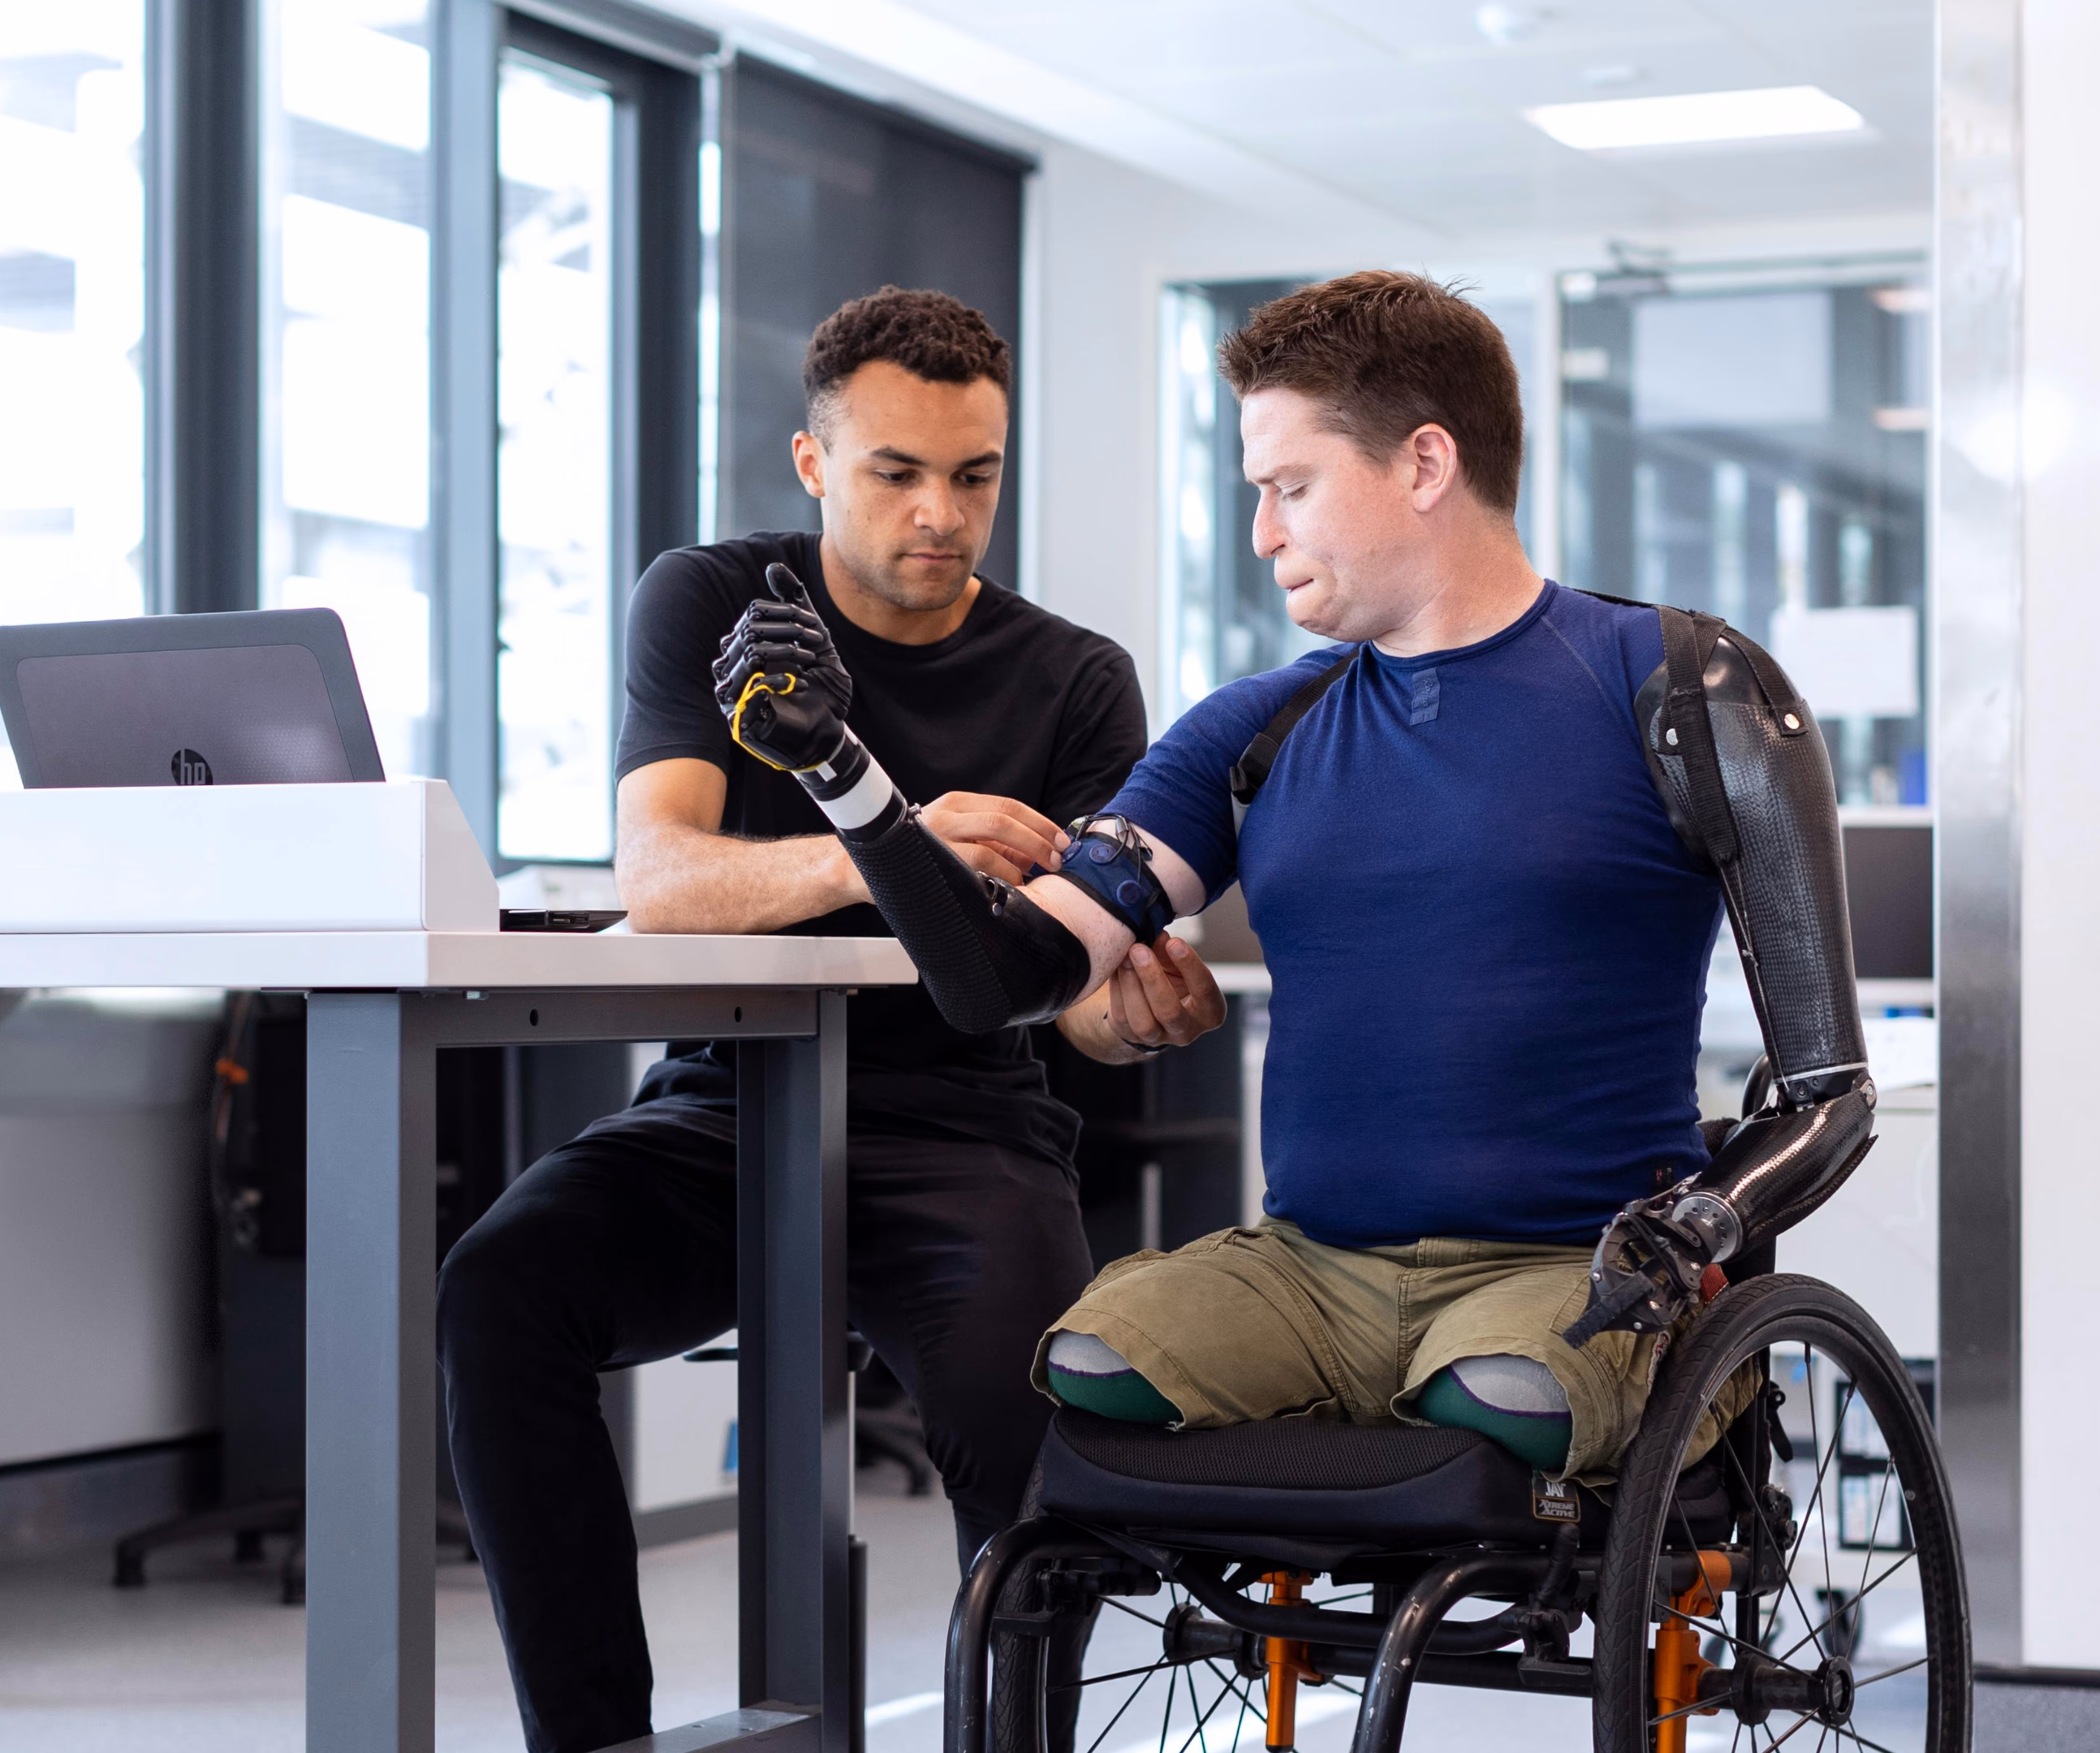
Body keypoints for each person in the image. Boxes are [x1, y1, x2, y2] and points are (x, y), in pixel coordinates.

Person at [714, 268, 1872, 1499]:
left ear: (1423, 465)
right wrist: (843, 777)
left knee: (1498, 1399)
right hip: (1308, 1274)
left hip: (1565, 1270)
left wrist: (1702, 1225)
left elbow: (1828, 1093)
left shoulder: (1686, 693)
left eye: (1289, 488)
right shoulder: (1251, 734)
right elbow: (1004, 977)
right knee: (1089, 1365)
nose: (1263, 533)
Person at [440, 283, 1222, 1753]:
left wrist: (1133, 1019)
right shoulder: (717, 605)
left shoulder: (1078, 678)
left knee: (1034, 1385)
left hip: (965, 1125)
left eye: (974, 475)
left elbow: (1079, 1009)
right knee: (503, 1291)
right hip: (727, 1103)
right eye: (893, 472)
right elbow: (664, 878)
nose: (937, 513)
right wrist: (894, 834)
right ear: (815, 461)